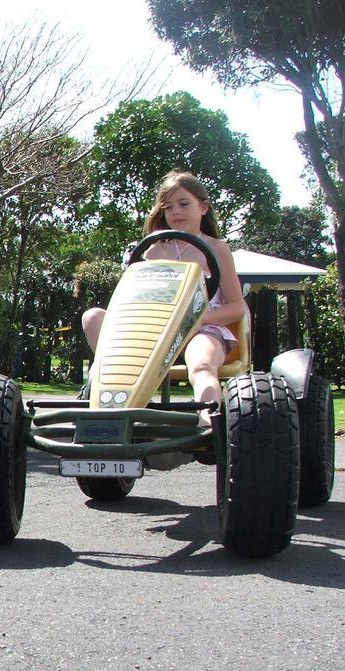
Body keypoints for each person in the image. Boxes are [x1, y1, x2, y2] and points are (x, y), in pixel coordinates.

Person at [81, 171, 246, 464]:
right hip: (152, 330)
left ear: (203, 207)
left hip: (201, 330)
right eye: (168, 207)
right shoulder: (153, 250)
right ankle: (109, 398)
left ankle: (209, 424)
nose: (176, 213)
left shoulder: (217, 249)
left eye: (184, 204)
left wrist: (202, 317)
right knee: (93, 317)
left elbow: (236, 307)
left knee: (202, 361)